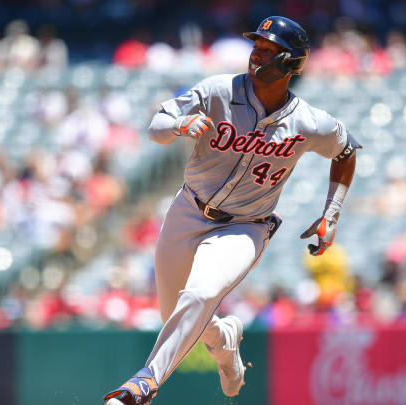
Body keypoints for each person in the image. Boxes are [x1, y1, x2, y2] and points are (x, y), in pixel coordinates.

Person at [103, 16, 361, 405]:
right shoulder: (217, 90)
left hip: (245, 226)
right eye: (256, 45)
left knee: (201, 293)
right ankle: (224, 340)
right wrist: (179, 125)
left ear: (291, 63)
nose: (257, 53)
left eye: (268, 49)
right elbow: (157, 126)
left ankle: (144, 383)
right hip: (187, 210)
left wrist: (332, 212)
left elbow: (346, 152)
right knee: (176, 314)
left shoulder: (309, 122)